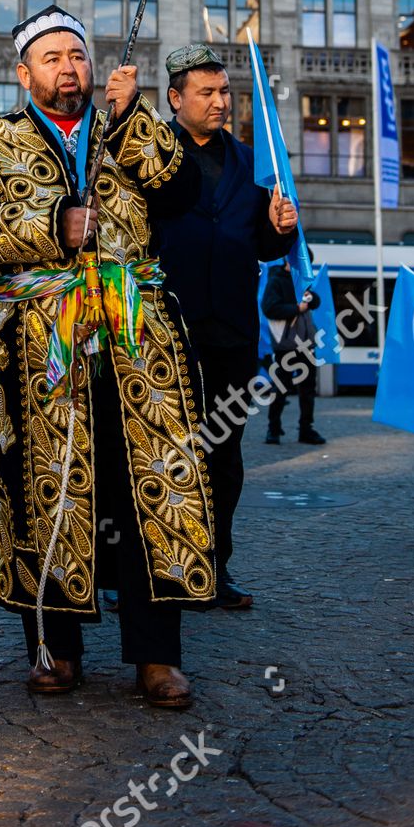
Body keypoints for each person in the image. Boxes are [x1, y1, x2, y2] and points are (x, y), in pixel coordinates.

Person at [0, 3, 214, 708]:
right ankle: (56, 647)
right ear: (24, 72)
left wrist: (136, 119)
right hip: (42, 353)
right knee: (48, 491)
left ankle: (157, 656)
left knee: (148, 489)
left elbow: (184, 192)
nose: (70, 68)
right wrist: (48, 226)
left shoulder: (128, 126)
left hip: (135, 344)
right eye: (54, 58)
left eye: (78, 56)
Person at [153, 44, 299, 610]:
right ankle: (158, 570)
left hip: (233, 332)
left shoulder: (250, 160)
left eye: (224, 92)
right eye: (206, 93)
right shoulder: (153, 154)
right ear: (176, 97)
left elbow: (261, 244)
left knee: (225, 456)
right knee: (163, 453)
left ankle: (213, 568)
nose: (219, 102)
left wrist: (280, 229)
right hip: (165, 329)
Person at [261, 260, 326, 446]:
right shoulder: (276, 280)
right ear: (290, 261)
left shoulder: (302, 279)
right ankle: (273, 429)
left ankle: (306, 429)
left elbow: (316, 301)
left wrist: (311, 298)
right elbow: (269, 308)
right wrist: (296, 308)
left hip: (306, 344)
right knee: (281, 388)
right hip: (286, 345)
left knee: (308, 389)